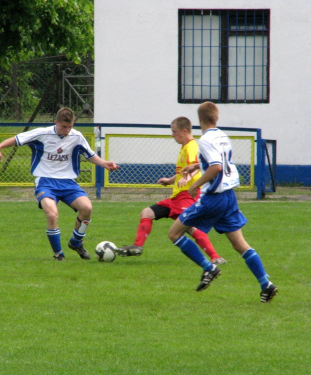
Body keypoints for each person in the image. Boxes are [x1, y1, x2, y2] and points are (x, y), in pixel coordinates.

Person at [168, 102, 278, 303]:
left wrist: (195, 185)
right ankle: (266, 284)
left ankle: (209, 268)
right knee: (240, 244)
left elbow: (216, 167)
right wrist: (196, 166)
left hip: (213, 198)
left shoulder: (205, 140)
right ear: (216, 118)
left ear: (200, 119)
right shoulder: (223, 137)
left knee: (174, 233)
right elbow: (219, 161)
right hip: (229, 197)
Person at [0, 107, 119, 261]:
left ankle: (75, 242)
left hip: (68, 183)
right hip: (45, 181)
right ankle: (59, 254)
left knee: (87, 208)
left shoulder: (77, 137)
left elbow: (90, 155)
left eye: (70, 127)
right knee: (52, 214)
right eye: (63, 127)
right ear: (56, 122)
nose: (67, 130)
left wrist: (104, 163)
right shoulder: (42, 133)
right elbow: (17, 139)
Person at [115, 116, 226, 265]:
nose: (172, 135)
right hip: (176, 197)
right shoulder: (184, 147)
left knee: (190, 227)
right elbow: (183, 171)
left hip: (188, 196)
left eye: (174, 132)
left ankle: (215, 257)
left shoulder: (192, 146)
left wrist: (187, 178)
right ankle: (137, 246)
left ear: (184, 131)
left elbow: (195, 167)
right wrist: (170, 180)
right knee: (147, 213)